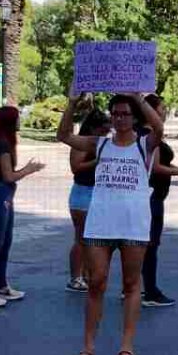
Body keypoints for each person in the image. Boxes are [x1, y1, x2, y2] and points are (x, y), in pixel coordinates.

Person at [56, 92, 166, 355]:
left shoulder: (144, 144)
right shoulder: (100, 144)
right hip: (100, 222)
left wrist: (138, 98)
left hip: (133, 224)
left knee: (131, 285)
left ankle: (126, 349)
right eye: (115, 114)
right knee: (96, 283)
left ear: (134, 117)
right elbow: (64, 135)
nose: (119, 118)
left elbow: (160, 129)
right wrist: (71, 103)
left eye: (125, 114)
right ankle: (88, 349)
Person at [0, 106, 44, 308]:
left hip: (3, 194)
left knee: (4, 241)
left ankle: (1, 285)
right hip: (1, 194)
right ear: (10, 121)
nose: (20, 121)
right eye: (17, 118)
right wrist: (29, 169)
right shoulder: (2, 145)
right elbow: (8, 176)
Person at [141, 94, 178, 307]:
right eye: (162, 108)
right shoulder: (149, 135)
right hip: (151, 196)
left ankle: (136, 288)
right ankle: (150, 291)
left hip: (151, 195)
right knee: (150, 245)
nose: (165, 111)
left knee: (141, 244)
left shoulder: (142, 134)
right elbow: (154, 167)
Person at [65, 109, 109, 292]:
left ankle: (85, 274)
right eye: (102, 130)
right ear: (93, 128)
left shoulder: (101, 142)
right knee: (81, 238)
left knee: (91, 239)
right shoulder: (82, 143)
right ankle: (76, 277)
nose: (105, 134)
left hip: (97, 192)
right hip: (83, 193)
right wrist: (98, 161)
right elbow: (76, 167)